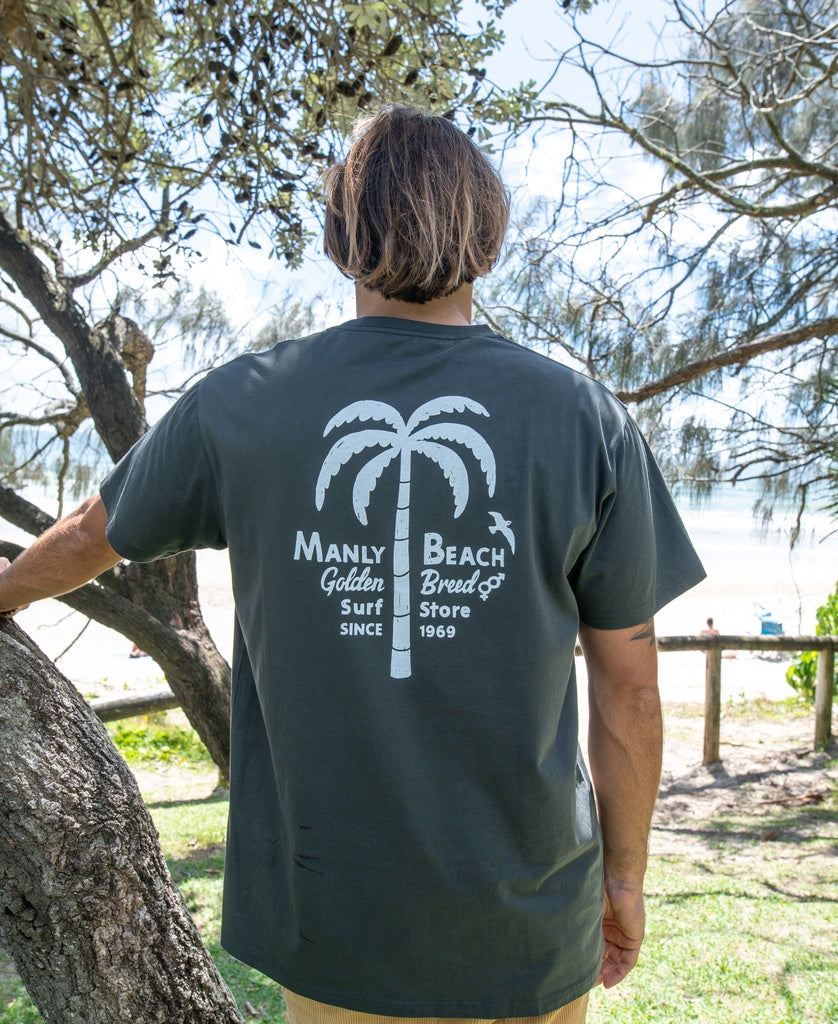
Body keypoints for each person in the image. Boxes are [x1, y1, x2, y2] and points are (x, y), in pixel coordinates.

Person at [0, 105, 705, 1024]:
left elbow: (96, 531)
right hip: (530, 924)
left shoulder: (244, 404)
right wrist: (626, 879)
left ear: (340, 237)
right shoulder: (584, 419)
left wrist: (5, 589)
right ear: (487, 234)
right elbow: (630, 693)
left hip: (337, 922)